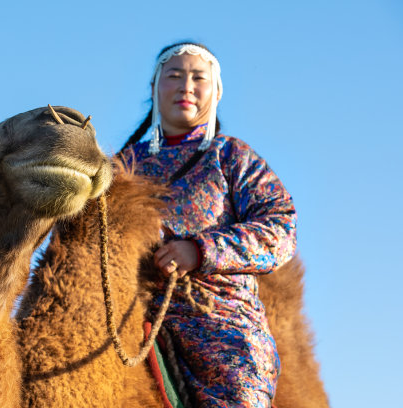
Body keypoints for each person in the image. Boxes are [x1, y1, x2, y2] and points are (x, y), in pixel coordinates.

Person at [121, 42, 297, 407]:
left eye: (198, 77)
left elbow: (280, 228)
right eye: (174, 75)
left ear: (215, 92)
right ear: (155, 88)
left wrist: (199, 251)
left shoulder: (231, 156)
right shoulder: (121, 166)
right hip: (130, 310)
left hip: (219, 320)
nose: (186, 85)